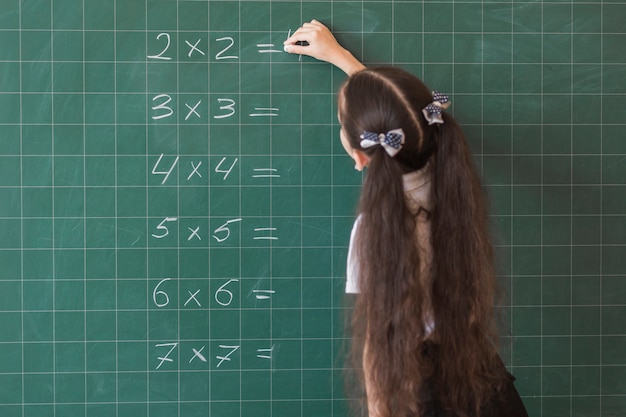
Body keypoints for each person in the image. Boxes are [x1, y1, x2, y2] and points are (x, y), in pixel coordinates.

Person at [284, 20, 529, 417]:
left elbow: (376, 348)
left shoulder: (374, 230)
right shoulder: (450, 180)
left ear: (360, 157)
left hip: (426, 399)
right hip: (486, 385)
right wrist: (343, 60)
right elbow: (407, 118)